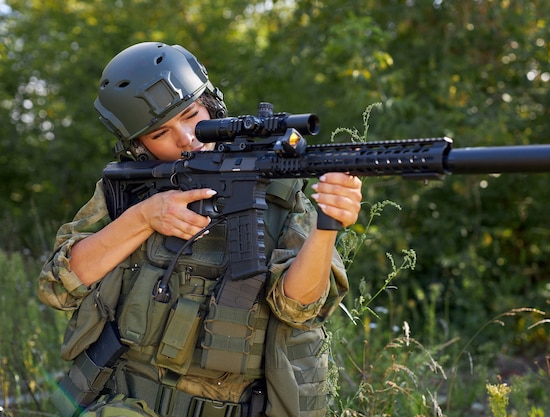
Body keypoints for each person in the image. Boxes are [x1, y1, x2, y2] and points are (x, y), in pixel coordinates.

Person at [39, 41, 362, 417]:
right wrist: (144, 217)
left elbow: (297, 310)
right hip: (123, 402)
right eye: (160, 134)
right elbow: (57, 287)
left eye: (192, 115)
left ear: (212, 106)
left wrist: (327, 225)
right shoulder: (128, 193)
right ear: (138, 146)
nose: (186, 138)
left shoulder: (278, 190)